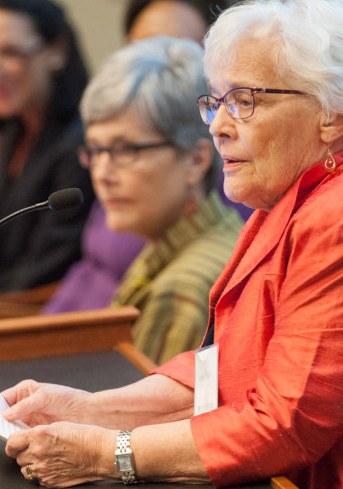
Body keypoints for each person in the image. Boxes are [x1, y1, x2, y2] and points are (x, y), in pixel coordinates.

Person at [0, 0, 343, 487]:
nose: (219, 126)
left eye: (245, 100)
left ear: (333, 113)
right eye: (217, 101)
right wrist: (90, 409)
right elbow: (226, 366)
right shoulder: (298, 189)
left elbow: (283, 425)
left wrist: (106, 454)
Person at [43, 0, 242, 315]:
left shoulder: (220, 190)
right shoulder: (136, 187)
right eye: (138, 49)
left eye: (177, 51)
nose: (103, 173)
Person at [65, 36, 241, 364]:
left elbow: (131, 416)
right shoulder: (198, 236)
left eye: (125, 150)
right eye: (95, 150)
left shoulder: (181, 293)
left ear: (196, 160)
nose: (102, 173)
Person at [0, 0, 94, 293]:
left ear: (56, 51)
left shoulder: (80, 146)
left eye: (10, 53)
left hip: (15, 318)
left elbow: (45, 272)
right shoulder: (15, 125)